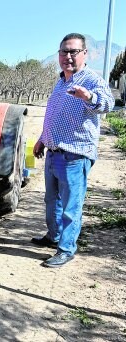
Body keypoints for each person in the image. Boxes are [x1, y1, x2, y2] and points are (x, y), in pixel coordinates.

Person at [32, 33, 114, 267]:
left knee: (71, 206)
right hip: (53, 152)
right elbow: (54, 117)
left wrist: (89, 96)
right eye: (64, 52)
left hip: (75, 155)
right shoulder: (61, 82)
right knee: (52, 201)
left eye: (73, 52)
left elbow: (107, 103)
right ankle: (54, 236)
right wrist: (41, 139)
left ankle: (66, 249)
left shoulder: (92, 80)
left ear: (84, 54)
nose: (68, 56)